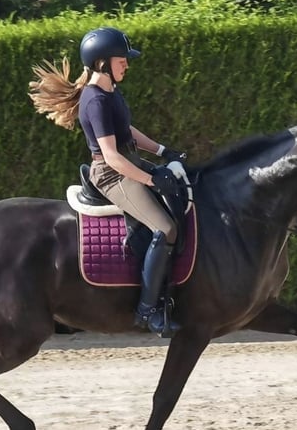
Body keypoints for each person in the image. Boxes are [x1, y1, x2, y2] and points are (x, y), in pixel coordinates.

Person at [29, 26, 186, 336]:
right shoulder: (95, 100)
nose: (127, 64)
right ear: (102, 63)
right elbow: (112, 156)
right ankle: (148, 310)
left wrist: (164, 151)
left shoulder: (111, 91)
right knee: (165, 228)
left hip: (130, 162)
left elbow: (128, 132)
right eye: (122, 60)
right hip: (112, 175)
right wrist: (152, 181)